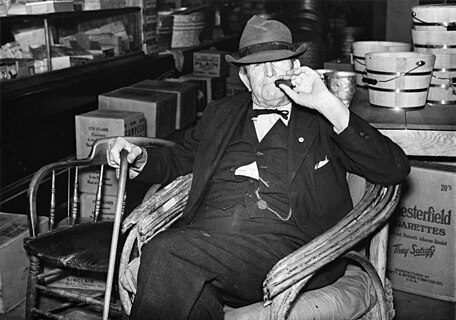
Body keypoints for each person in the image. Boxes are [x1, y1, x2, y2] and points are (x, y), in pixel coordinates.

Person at [108, 15, 410, 320]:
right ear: (244, 77)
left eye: (278, 61)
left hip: (289, 253)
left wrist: (327, 103)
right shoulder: (220, 113)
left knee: (165, 251)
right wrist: (141, 158)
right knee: (190, 297)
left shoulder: (320, 117)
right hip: (205, 245)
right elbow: (180, 159)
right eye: (257, 65)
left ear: (294, 67)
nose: (269, 72)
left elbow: (393, 167)